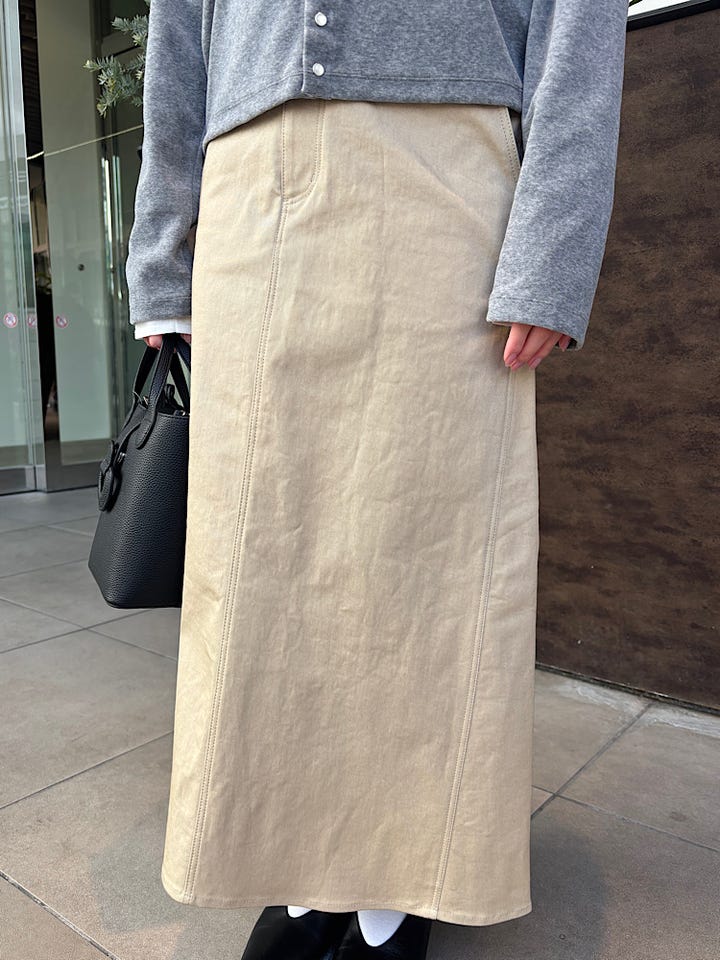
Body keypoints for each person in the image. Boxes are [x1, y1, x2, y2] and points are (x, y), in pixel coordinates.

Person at [125, 2, 629, 958]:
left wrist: (553, 249)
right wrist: (162, 253)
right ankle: (300, 872)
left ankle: (395, 892)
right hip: (247, 193)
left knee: (424, 556)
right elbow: (179, 28)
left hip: (442, 182)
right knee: (263, 568)